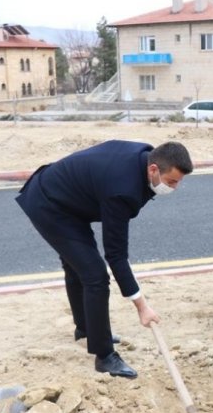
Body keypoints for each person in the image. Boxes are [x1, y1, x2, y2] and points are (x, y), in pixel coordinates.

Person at [16, 140, 193, 378]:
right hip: (50, 204)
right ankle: (105, 357)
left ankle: (86, 329)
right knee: (96, 275)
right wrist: (142, 307)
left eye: (179, 182)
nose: (175, 188)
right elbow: (116, 255)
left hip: (71, 200)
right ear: (153, 170)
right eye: (171, 181)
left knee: (79, 265)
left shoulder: (147, 155)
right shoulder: (122, 189)